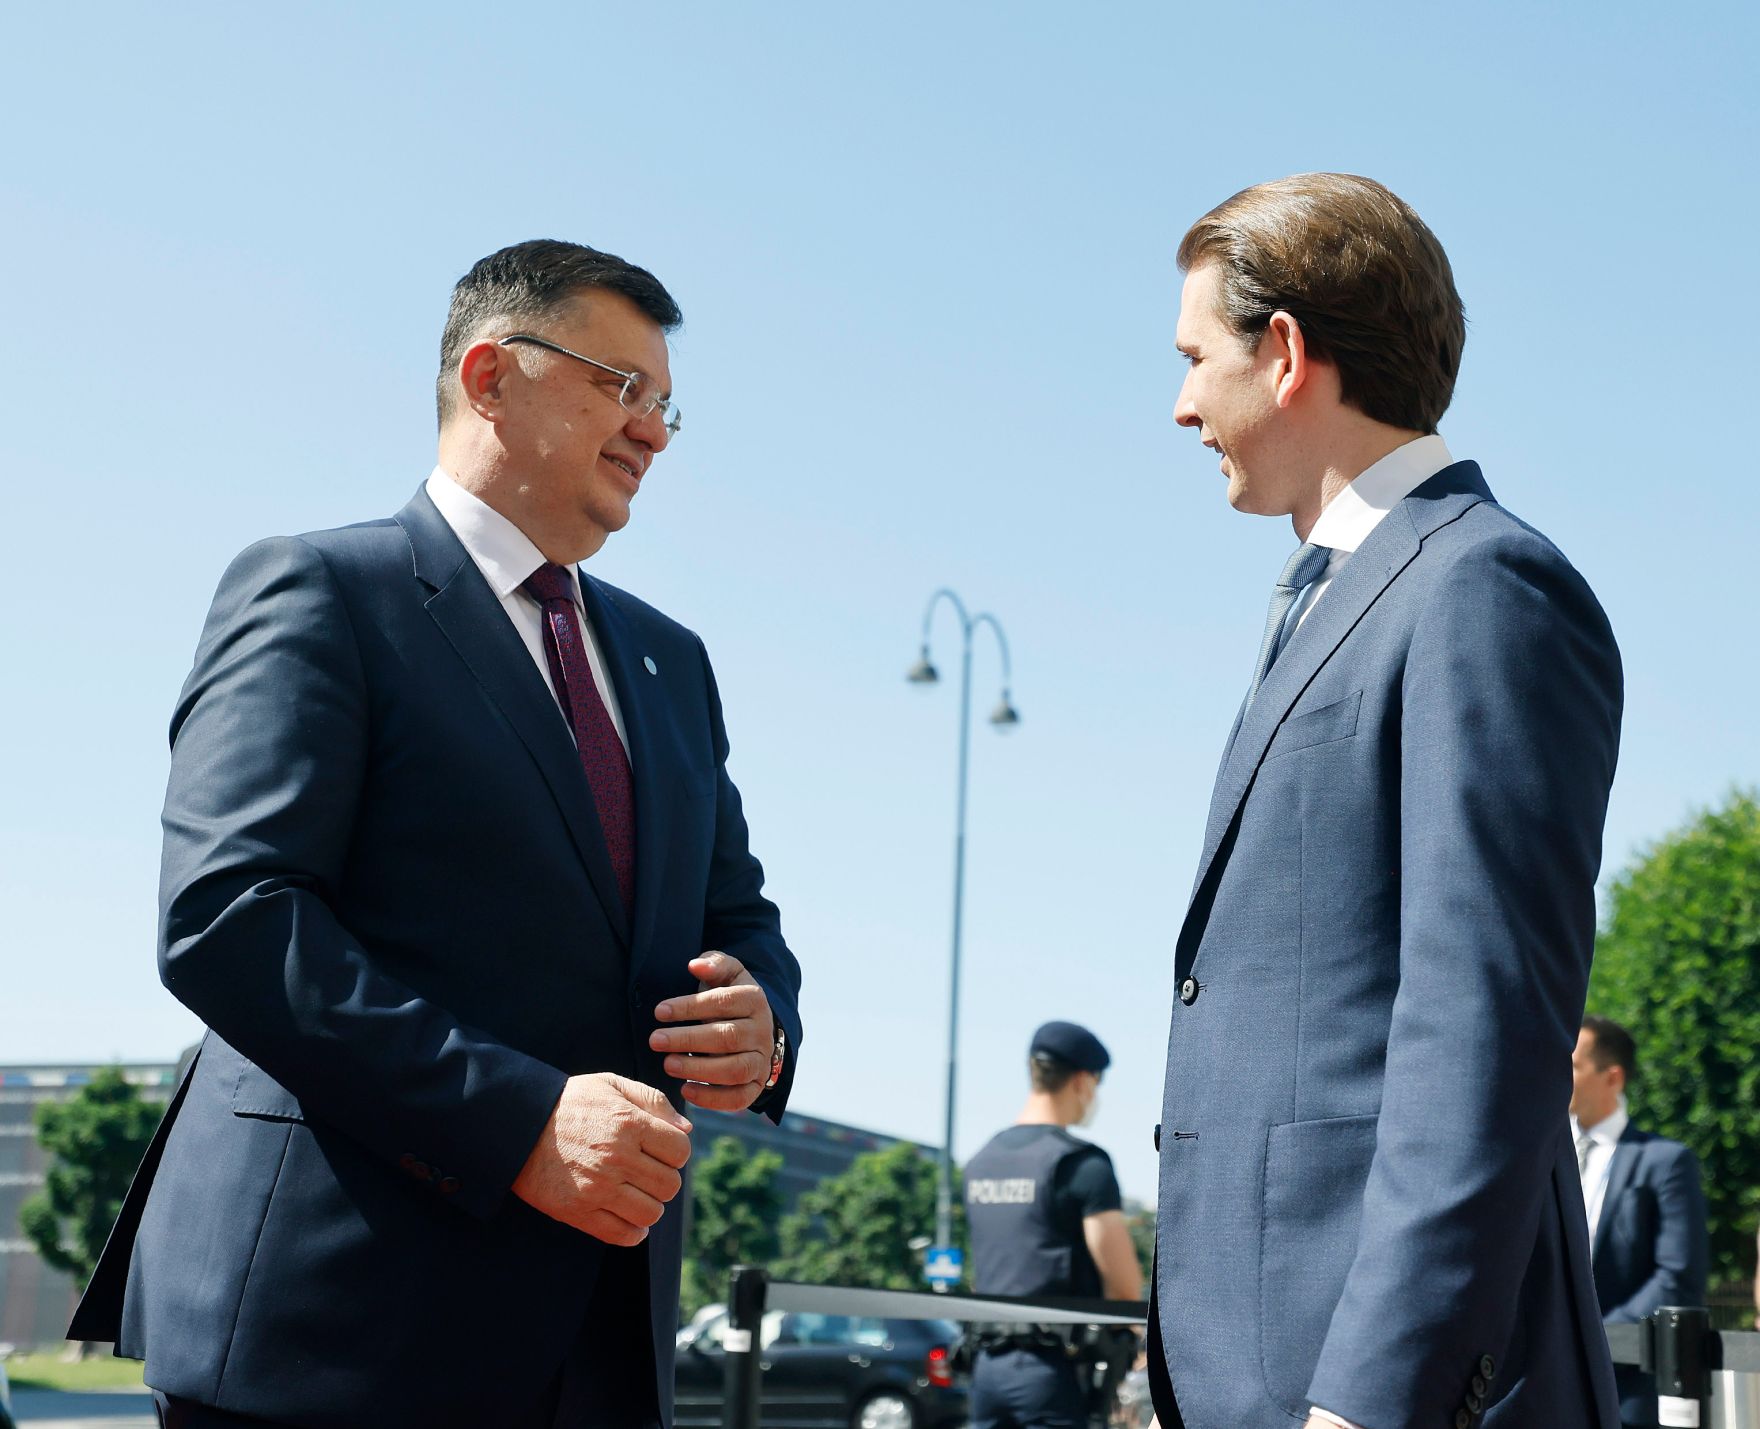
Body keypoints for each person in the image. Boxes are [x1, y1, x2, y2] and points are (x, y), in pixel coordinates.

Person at [69, 240, 803, 1429]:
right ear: (488, 375)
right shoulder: (318, 589)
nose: (653, 431)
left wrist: (762, 1019)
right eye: (621, 386)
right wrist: (515, 1120)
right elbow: (230, 917)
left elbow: (736, 918)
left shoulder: (674, 664)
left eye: (666, 403)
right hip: (335, 1335)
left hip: (598, 1345)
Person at [1151, 174, 1624, 1429]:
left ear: (1288, 353)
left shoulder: (1481, 584)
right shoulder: (1338, 592)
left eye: (1197, 356)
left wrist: (1370, 1396)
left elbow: (1480, 1027)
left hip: (1371, 1381)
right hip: (1260, 1356)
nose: (1181, 401)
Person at [965, 1021, 1144, 1429]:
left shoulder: (980, 1163)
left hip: (985, 1369)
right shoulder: (1082, 1165)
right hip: (1054, 1374)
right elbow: (1123, 1287)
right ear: (1082, 1081)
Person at [1571, 1016, 1709, 1427]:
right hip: (1547, 1385)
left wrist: (1589, 1340)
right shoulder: (1543, 1160)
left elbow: (1678, 1278)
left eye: (1573, 1065)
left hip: (1627, 1391)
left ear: (1612, 1077)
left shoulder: (1665, 1162)